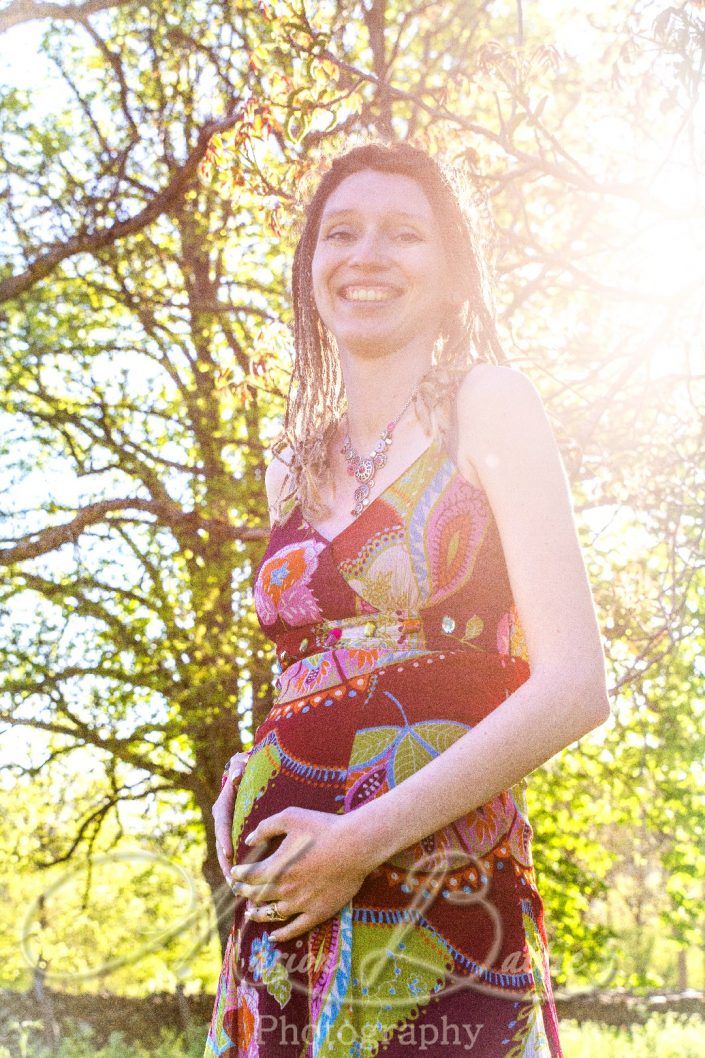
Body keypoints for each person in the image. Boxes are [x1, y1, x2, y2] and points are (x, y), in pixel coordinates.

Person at [204, 140, 610, 1058]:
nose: (366, 255)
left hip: (439, 881)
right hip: (287, 896)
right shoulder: (291, 463)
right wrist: (248, 765)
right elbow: (312, 668)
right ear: (312, 270)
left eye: (403, 233)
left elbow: (574, 685)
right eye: (340, 233)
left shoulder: (490, 405)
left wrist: (359, 840)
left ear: (453, 269)